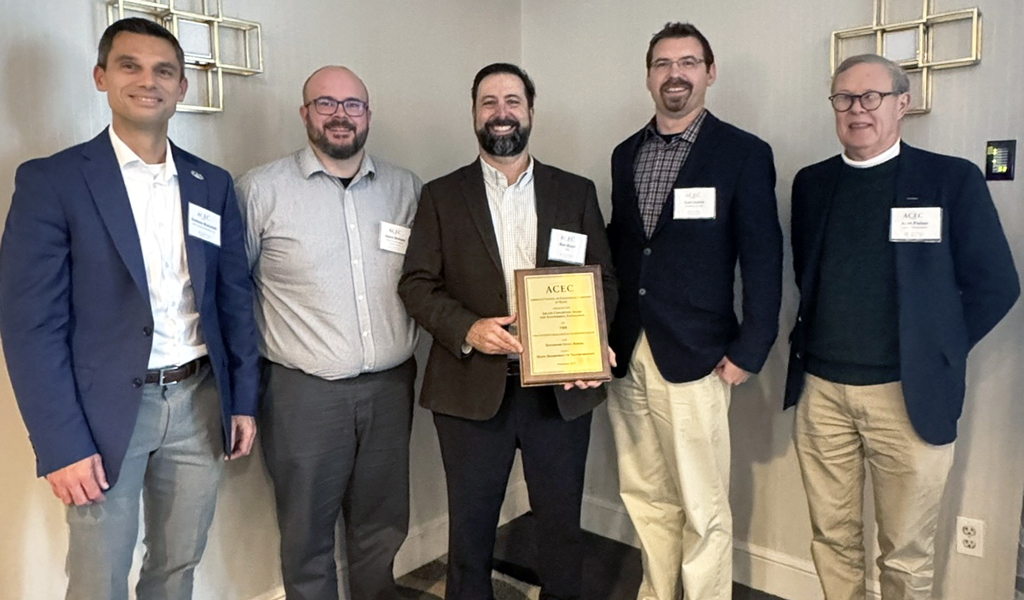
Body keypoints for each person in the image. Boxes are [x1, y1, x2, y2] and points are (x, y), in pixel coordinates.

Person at [0, 17, 259, 600]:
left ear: (182, 88)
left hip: (199, 401)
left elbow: (233, 298)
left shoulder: (210, 183)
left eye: (164, 70)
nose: (149, 80)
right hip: (106, 411)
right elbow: (28, 326)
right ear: (101, 77)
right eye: (130, 65)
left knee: (177, 566)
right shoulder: (53, 181)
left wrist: (242, 399)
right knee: (99, 577)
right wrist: (62, 444)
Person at [785, 53, 1019, 600]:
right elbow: (808, 274)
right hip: (822, 393)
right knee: (831, 539)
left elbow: (997, 284)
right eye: (844, 98)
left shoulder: (949, 179)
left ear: (902, 105)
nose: (856, 110)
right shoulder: (812, 184)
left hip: (908, 396)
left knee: (906, 554)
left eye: (871, 97)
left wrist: (940, 348)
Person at [398, 62, 617, 600]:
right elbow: (417, 284)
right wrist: (469, 328)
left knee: (561, 527)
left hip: (559, 390)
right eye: (489, 102)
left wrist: (592, 340)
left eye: (512, 101)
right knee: (470, 532)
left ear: (530, 111)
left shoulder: (576, 191)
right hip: (471, 387)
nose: (501, 113)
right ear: (474, 115)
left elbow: (604, 279)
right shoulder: (441, 196)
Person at [605, 22, 783, 600]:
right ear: (649, 75)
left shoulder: (743, 154)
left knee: (702, 506)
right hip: (629, 352)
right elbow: (626, 246)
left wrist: (749, 349)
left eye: (688, 62)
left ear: (710, 71)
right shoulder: (624, 153)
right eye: (662, 63)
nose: (674, 74)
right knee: (644, 495)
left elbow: (762, 259)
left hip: (700, 355)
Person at [235, 66, 422, 600]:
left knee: (382, 527)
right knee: (306, 534)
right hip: (302, 395)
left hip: (390, 389)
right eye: (325, 104)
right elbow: (233, 294)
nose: (340, 115)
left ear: (367, 115)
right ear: (305, 114)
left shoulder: (405, 188)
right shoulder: (260, 190)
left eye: (353, 105)